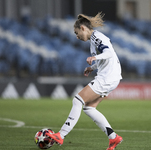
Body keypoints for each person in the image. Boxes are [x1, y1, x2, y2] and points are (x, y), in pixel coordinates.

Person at [46, 12, 123, 150]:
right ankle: (113, 138)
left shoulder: (96, 37)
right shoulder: (93, 41)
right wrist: (92, 67)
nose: (77, 36)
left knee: (77, 100)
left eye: (77, 33)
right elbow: (104, 57)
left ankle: (61, 135)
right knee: (89, 108)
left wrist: (94, 59)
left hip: (108, 77)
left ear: (83, 28)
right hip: (111, 76)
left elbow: (109, 53)